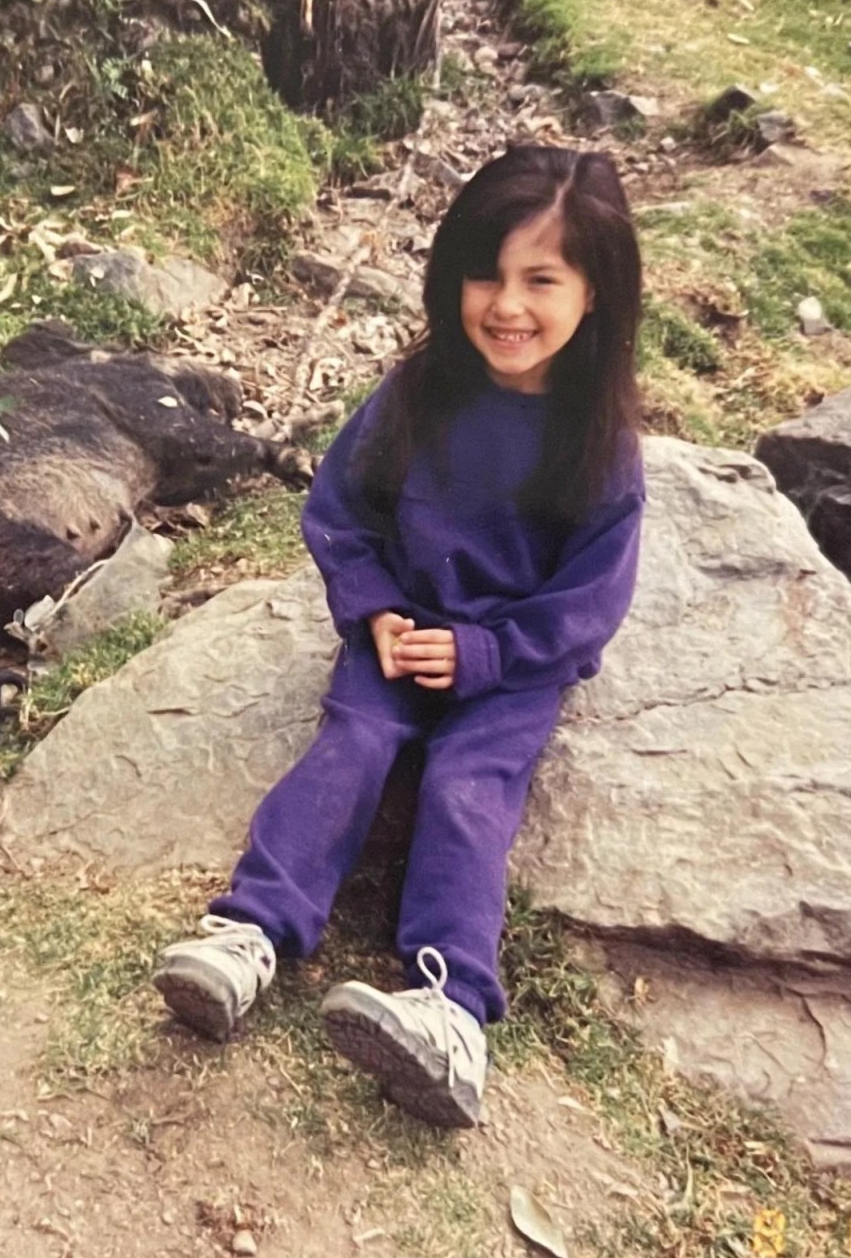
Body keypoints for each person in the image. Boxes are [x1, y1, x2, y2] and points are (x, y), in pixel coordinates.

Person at [151, 145, 647, 1128]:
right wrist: (374, 607)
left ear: (594, 294)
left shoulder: (598, 439)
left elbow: (588, 602)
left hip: (509, 667)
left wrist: (484, 655)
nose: (506, 305)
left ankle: (447, 1008)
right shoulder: (417, 393)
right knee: (352, 741)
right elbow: (340, 513)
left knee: (469, 787)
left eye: (539, 280)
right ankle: (249, 933)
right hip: (397, 632)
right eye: (485, 273)